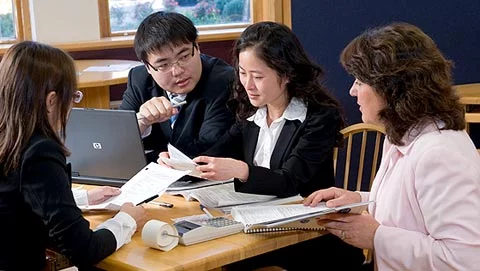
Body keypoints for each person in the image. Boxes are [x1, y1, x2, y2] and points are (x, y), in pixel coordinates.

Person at [182, 21, 364, 270]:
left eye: (258, 76)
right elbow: (216, 151)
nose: (248, 84)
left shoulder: (320, 117)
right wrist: (182, 162)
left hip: (307, 238)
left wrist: (241, 171)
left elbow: (290, 181)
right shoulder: (252, 112)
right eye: (243, 73)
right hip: (257, 228)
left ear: (287, 74)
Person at [304, 22, 480, 270]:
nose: (352, 91)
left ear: (391, 88)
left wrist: (377, 237)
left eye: (359, 81)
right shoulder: (404, 134)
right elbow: (413, 211)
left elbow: (464, 260)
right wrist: (358, 200)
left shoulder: (439, 154)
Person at [0, 41, 148, 271]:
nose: (71, 107)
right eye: (72, 97)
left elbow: (16, 197)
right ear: (51, 101)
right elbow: (84, 249)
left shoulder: (8, 138)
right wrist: (127, 220)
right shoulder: (38, 151)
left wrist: (82, 199)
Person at [120, 11, 235, 162]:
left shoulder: (224, 81)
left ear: (197, 47)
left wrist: (153, 158)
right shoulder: (139, 79)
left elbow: (207, 151)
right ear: (148, 67)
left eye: (184, 56)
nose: (178, 71)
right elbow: (117, 144)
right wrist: (142, 123)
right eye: (163, 65)